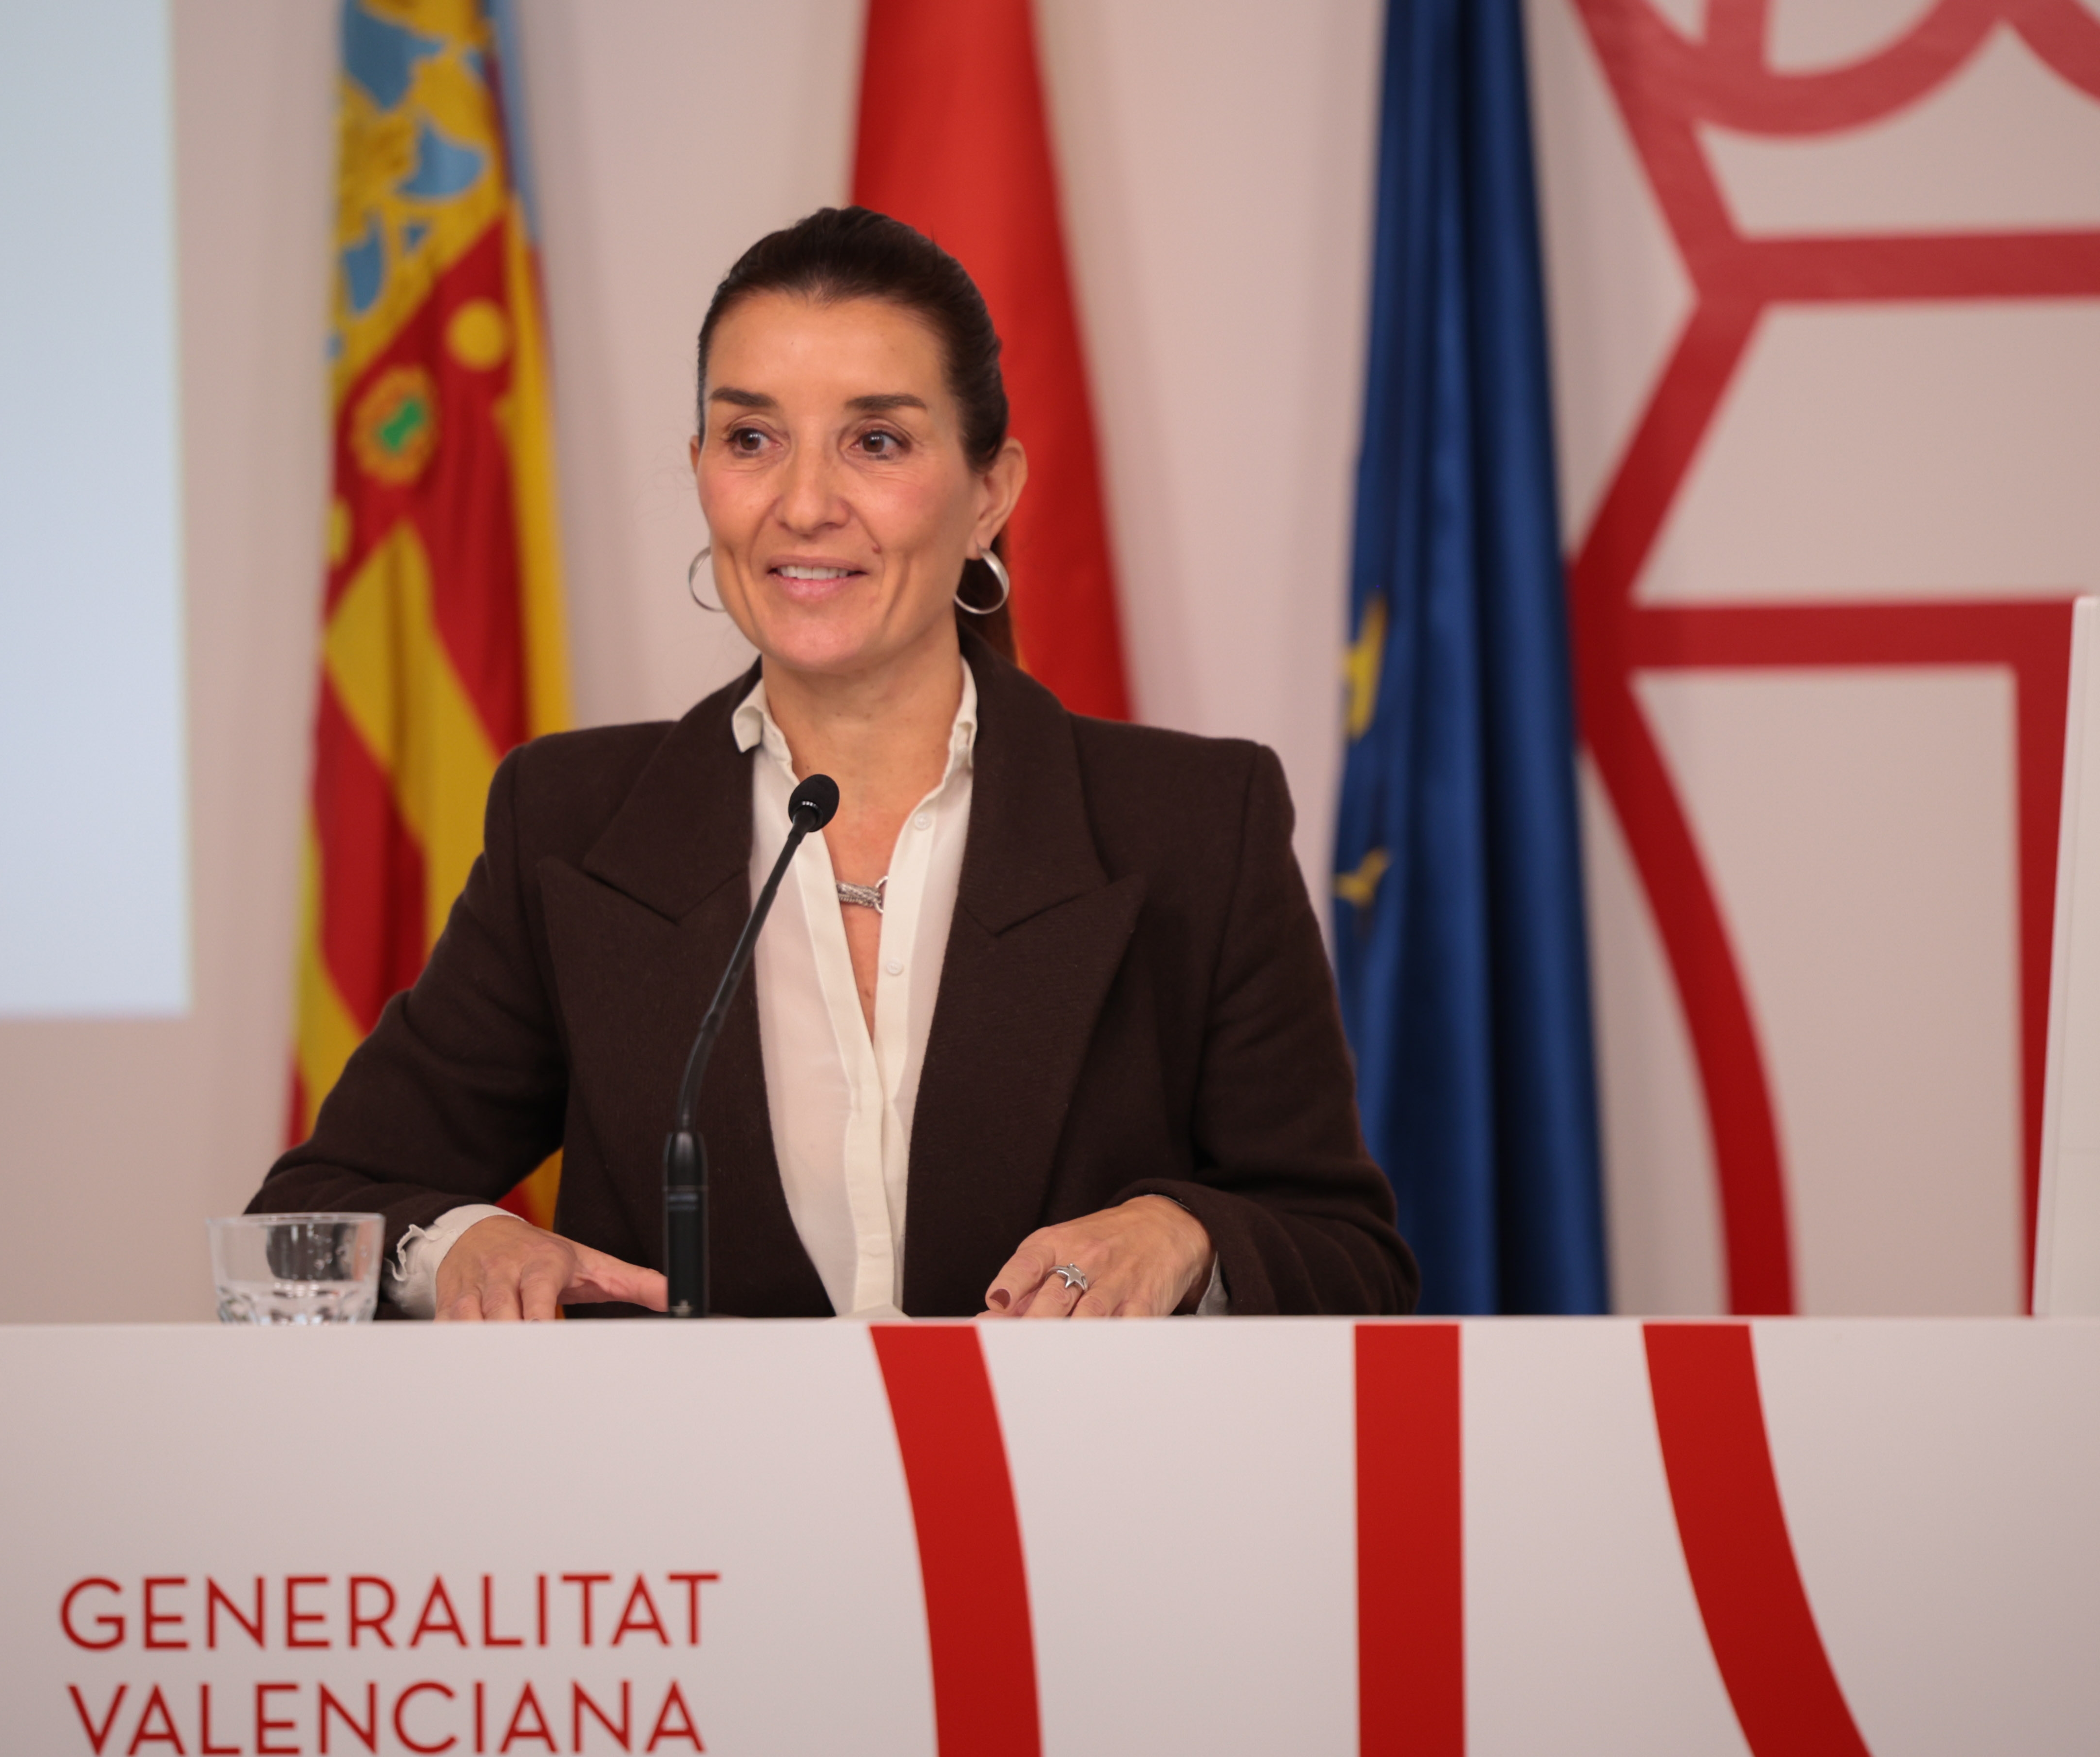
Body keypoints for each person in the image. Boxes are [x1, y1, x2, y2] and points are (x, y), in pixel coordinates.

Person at [251, 207, 1416, 1322]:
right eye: (753, 438)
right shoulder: (571, 825)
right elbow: (310, 1213)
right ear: (701, 466)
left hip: (1073, 1515)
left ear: (989, 495)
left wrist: (1182, 1231)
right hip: (696, 1515)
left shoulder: (1194, 825)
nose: (804, 505)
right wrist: (466, 1243)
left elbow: (1347, 1253)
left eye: (877, 441)